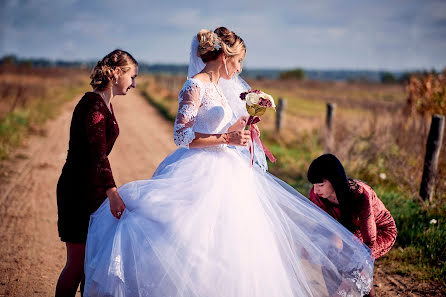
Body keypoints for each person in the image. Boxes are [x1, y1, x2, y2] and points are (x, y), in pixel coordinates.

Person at [83, 28, 374, 297]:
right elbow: (181, 135)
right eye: (239, 61)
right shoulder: (193, 87)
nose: (240, 69)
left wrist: (246, 122)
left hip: (229, 169)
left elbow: (222, 126)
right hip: (198, 170)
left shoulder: (223, 88)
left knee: (237, 244)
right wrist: (227, 139)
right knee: (193, 239)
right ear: (225, 57)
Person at [55, 49, 138, 297]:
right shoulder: (93, 104)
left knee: (91, 264)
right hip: (77, 190)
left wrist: (104, 190)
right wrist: (111, 190)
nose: (134, 84)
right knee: (77, 265)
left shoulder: (105, 103)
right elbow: (97, 154)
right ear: (115, 73)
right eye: (132, 76)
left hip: (92, 188)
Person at [307, 153, 398, 297]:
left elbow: (368, 244)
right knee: (329, 257)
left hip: (379, 232)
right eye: (314, 185)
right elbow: (322, 228)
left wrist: (345, 285)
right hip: (348, 232)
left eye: (321, 185)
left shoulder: (360, 195)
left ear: (335, 181)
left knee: (356, 269)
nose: (316, 190)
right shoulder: (317, 195)